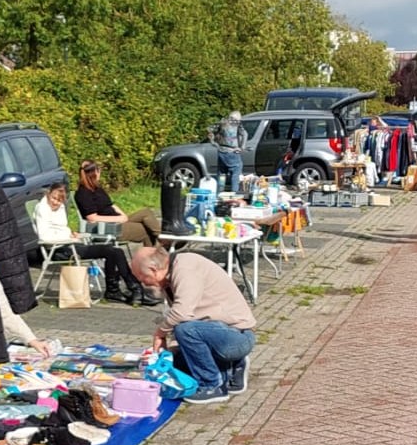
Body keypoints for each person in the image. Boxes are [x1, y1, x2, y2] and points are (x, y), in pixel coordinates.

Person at [130, 246, 256, 405]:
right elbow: (182, 319)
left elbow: (182, 314)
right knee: (178, 363)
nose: (143, 283)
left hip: (237, 336)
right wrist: (173, 351)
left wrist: (159, 334)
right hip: (220, 333)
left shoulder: (185, 269)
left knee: (185, 331)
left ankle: (212, 385)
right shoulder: (172, 276)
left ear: (154, 270)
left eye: (142, 278)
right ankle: (233, 367)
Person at [34, 183, 159, 306]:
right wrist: (69, 238)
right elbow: (45, 236)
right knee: (111, 251)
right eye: (54, 198)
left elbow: (61, 229)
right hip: (59, 250)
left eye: (59, 200)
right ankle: (131, 289)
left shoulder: (60, 208)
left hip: (70, 245)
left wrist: (72, 234)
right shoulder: (42, 209)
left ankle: (118, 290)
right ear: (48, 194)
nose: (55, 202)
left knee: (115, 251)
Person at [75, 159, 161, 247]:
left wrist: (123, 216)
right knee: (145, 230)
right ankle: (161, 245)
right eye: (99, 171)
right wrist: (118, 219)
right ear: (95, 173)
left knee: (146, 212)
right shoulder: (83, 194)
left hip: (116, 221)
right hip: (105, 227)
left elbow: (111, 205)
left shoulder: (97, 188)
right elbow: (92, 218)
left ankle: (163, 238)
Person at [213, 110, 247, 193]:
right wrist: (242, 147)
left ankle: (219, 193)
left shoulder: (223, 123)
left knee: (222, 174)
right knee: (236, 171)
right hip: (232, 151)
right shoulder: (236, 124)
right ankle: (234, 193)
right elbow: (245, 134)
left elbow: (214, 133)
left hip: (221, 151)